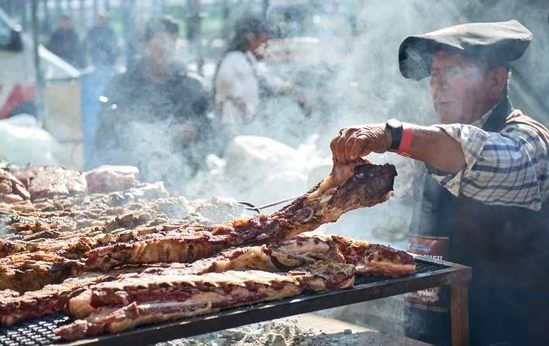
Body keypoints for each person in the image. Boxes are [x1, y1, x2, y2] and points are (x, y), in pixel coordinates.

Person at [330, 20, 549, 345]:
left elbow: (475, 152)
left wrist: (392, 134)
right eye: (434, 74)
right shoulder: (435, 146)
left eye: (454, 71)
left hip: (504, 334)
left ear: (495, 80)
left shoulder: (529, 141)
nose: (438, 84)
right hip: (429, 331)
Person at [93, 16, 210, 191]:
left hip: (184, 175)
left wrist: (195, 128)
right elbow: (103, 130)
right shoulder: (123, 84)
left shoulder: (192, 85)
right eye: (161, 39)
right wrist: (120, 123)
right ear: (146, 43)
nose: (166, 46)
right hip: (132, 176)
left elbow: (209, 123)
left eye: (172, 40)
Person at [213, 14, 310, 140]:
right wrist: (239, 102)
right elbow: (226, 82)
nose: (267, 47)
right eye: (264, 42)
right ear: (251, 38)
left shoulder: (249, 61)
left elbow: (268, 81)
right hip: (233, 129)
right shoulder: (234, 59)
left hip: (246, 128)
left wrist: (294, 90)